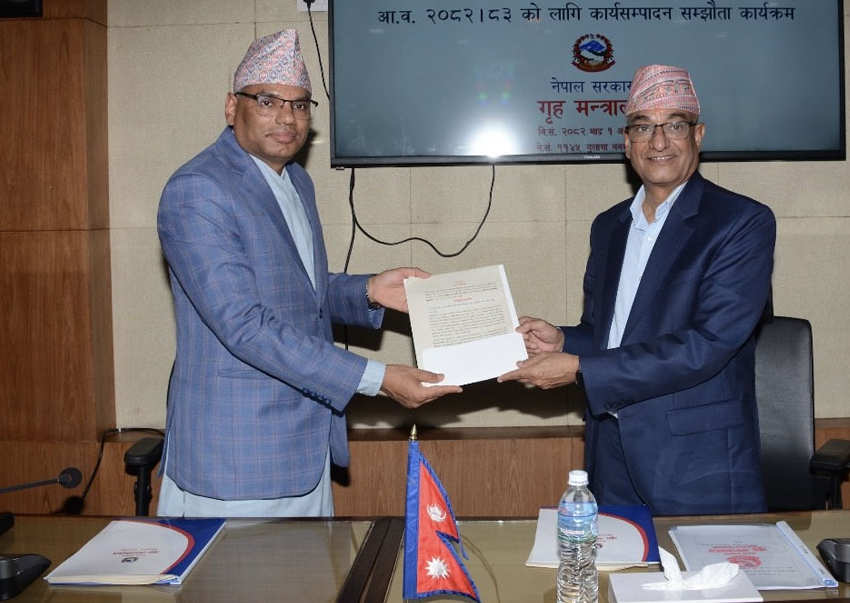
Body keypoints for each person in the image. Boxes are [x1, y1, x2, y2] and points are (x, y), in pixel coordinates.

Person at [156, 29, 462, 517]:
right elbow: (245, 325)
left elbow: (294, 291)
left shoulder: (295, 180)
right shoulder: (199, 189)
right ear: (232, 107)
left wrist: (368, 291)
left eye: (300, 105)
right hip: (237, 460)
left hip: (306, 445)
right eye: (268, 101)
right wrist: (378, 378)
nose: (287, 118)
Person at [499, 64, 776, 516]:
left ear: (698, 135)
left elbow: (708, 344)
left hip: (695, 461)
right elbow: (609, 335)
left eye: (675, 126)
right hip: (610, 454)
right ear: (627, 143)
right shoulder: (609, 226)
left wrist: (581, 369)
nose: (659, 142)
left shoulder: (740, 222)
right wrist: (564, 341)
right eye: (643, 127)